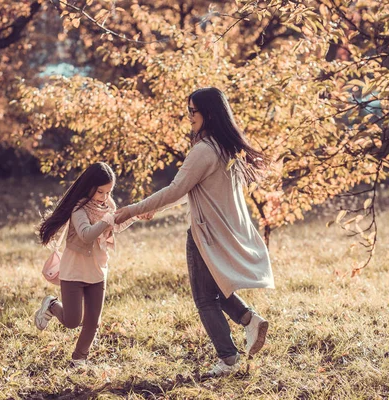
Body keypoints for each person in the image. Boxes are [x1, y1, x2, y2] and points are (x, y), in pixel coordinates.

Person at [114, 87, 275, 378]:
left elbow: (176, 188)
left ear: (209, 113)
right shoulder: (227, 148)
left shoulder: (204, 150)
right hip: (224, 230)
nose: (189, 117)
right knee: (216, 289)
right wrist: (153, 208)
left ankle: (228, 359)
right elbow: (187, 189)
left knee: (204, 298)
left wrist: (132, 209)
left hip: (206, 233)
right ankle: (250, 321)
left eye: (193, 111)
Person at [34, 162, 148, 367]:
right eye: (100, 192)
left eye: (108, 192)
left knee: (93, 322)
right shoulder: (78, 209)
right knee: (72, 321)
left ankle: (79, 359)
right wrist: (108, 219)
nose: (105, 197)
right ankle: (51, 304)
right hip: (74, 272)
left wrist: (135, 216)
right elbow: (86, 235)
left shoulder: (108, 207)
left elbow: (117, 226)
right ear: (89, 187)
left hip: (97, 270)